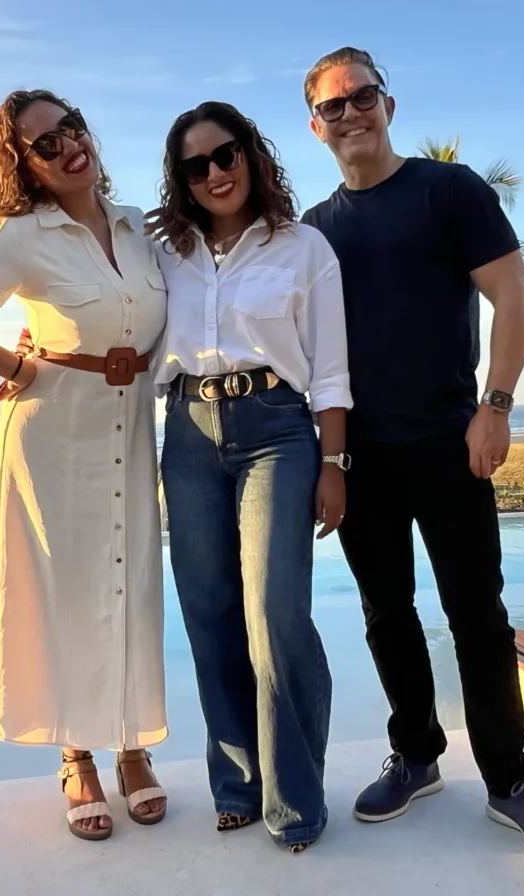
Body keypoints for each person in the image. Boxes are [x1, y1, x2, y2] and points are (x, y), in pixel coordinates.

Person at [299, 48, 524, 863]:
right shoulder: (316, 233)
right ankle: (418, 755)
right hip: (362, 459)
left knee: (478, 615)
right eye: (333, 106)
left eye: (363, 98)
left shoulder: (449, 191)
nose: (350, 114)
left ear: (387, 105)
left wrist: (494, 407)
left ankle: (509, 780)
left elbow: (512, 297)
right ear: (314, 126)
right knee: (386, 615)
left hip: (450, 441)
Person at [0, 89, 168, 842]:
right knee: (65, 590)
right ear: (23, 165)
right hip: (53, 433)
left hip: (126, 433)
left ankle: (132, 744)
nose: (67, 148)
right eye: (43, 145)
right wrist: (14, 369)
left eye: (72, 129)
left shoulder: (141, 230)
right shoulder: (20, 236)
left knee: (129, 586)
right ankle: (76, 753)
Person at [149, 101, 352, 853]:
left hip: (277, 431)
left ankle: (295, 797)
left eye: (225, 154)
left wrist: (334, 463)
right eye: (195, 166)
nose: (214, 174)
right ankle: (236, 783)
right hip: (188, 431)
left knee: (274, 615)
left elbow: (330, 370)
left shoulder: (304, 248)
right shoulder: (162, 248)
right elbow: (108, 301)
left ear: (252, 155)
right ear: (181, 180)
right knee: (208, 613)